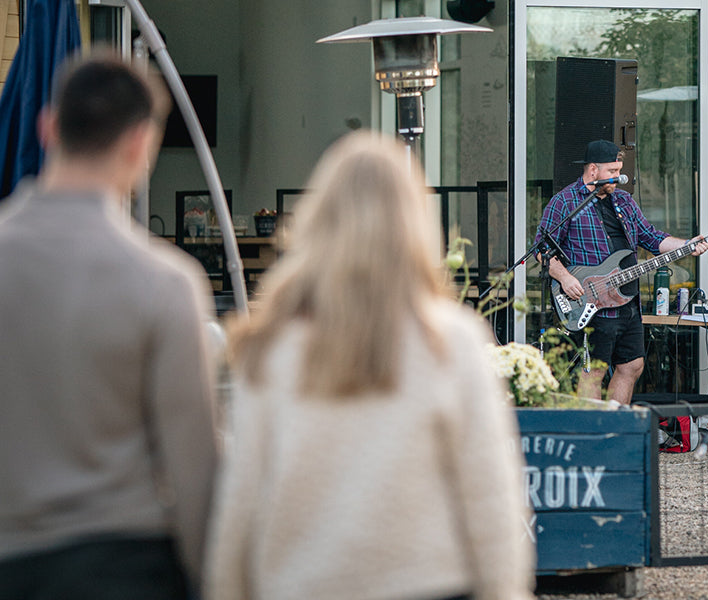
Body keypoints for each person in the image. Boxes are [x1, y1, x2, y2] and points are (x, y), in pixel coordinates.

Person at [206, 132, 534, 600]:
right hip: (428, 581)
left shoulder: (271, 346)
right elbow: (491, 499)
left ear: (319, 221)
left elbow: (241, 502)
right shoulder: (452, 340)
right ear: (415, 224)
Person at [0, 53, 218, 597]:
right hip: (126, 563)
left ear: (46, 126)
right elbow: (194, 472)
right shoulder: (166, 284)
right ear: (140, 144)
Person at [536, 139, 708, 405]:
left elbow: (652, 238)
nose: (619, 177)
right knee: (594, 371)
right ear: (593, 170)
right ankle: (592, 439)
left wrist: (687, 245)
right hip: (591, 301)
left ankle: (616, 430)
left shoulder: (624, 201)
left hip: (627, 300)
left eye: (620, 170)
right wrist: (565, 277)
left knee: (632, 366)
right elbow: (542, 250)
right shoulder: (565, 202)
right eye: (612, 172)